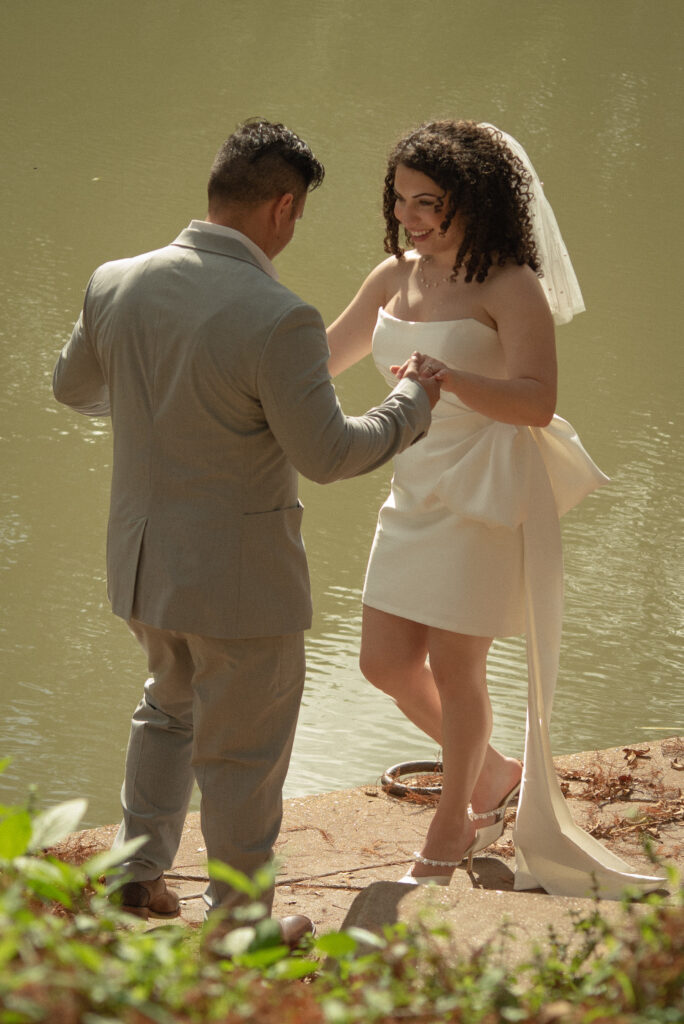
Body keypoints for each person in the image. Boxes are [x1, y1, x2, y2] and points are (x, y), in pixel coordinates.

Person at [52, 118, 440, 943]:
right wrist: (412, 406)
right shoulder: (278, 316)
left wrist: (168, 407)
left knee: (166, 705)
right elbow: (331, 453)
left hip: (142, 563)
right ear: (284, 207)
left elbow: (72, 390)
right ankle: (240, 929)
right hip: (239, 582)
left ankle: (133, 876)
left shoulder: (115, 281)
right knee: (244, 756)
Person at [327, 120, 664, 898]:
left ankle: (454, 819)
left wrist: (450, 380)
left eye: (428, 202)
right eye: (401, 200)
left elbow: (538, 403)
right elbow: (321, 356)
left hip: (481, 490)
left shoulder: (511, 285)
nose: (411, 216)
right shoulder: (391, 277)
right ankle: (497, 776)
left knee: (456, 665)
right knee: (382, 662)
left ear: (472, 199)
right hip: (410, 484)